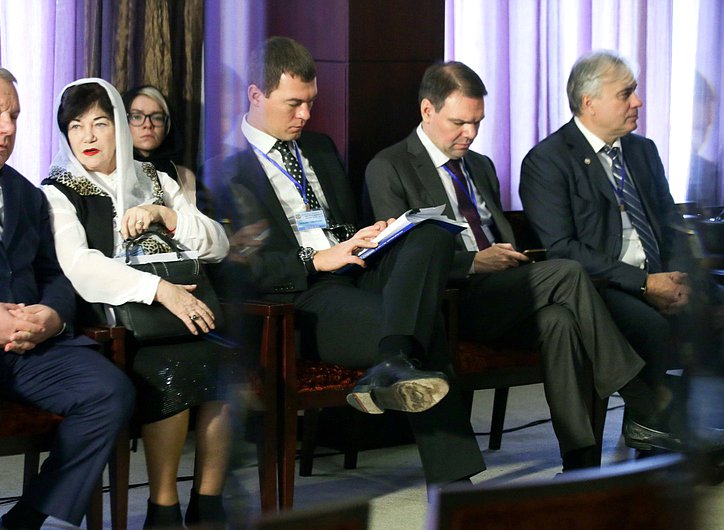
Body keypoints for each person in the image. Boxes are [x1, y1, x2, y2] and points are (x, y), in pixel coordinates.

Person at [202, 37, 486, 485]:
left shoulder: (318, 148)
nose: (305, 115)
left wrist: (372, 235)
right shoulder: (223, 168)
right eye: (293, 104)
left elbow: (344, 224)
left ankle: (390, 363)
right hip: (301, 298)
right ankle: (453, 483)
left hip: (357, 272)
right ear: (255, 95)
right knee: (422, 326)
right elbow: (237, 267)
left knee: (431, 231)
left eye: (311, 103)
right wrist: (314, 259)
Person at [364, 60, 672, 469]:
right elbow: (397, 262)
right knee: (568, 270)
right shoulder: (390, 167)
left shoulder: (479, 165)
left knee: (561, 322)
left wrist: (506, 256)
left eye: (478, 122)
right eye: (459, 122)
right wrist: (475, 262)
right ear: (427, 111)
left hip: (508, 289)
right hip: (452, 301)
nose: (470, 134)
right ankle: (640, 398)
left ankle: (581, 464)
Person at [0, 64, 135, 530]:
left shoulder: (25, 191)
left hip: (29, 345)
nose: (8, 127)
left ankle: (22, 525)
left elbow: (52, 273)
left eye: (15, 116)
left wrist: (52, 314)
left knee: (109, 393)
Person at [42, 78, 234, 529]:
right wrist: (158, 290)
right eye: (76, 125)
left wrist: (167, 216)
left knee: (227, 366)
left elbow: (219, 245)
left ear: (120, 130)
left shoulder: (154, 179)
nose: (87, 136)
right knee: (172, 366)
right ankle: (162, 506)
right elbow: (78, 266)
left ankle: (208, 500)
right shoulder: (57, 190)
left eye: (100, 123)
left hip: (180, 311)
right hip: (112, 322)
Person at [519, 50, 722, 450]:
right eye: (626, 93)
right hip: (602, 287)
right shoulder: (548, 160)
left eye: (636, 91)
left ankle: (694, 422)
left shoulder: (642, 151)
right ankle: (656, 424)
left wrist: (679, 280)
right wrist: (646, 284)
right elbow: (563, 249)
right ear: (589, 102)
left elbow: (670, 226)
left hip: (661, 277)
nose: (638, 102)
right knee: (652, 326)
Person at [123, 84, 185, 183]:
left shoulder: (183, 176)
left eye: (157, 118)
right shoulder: (110, 172)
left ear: (167, 126)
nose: (148, 125)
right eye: (136, 117)